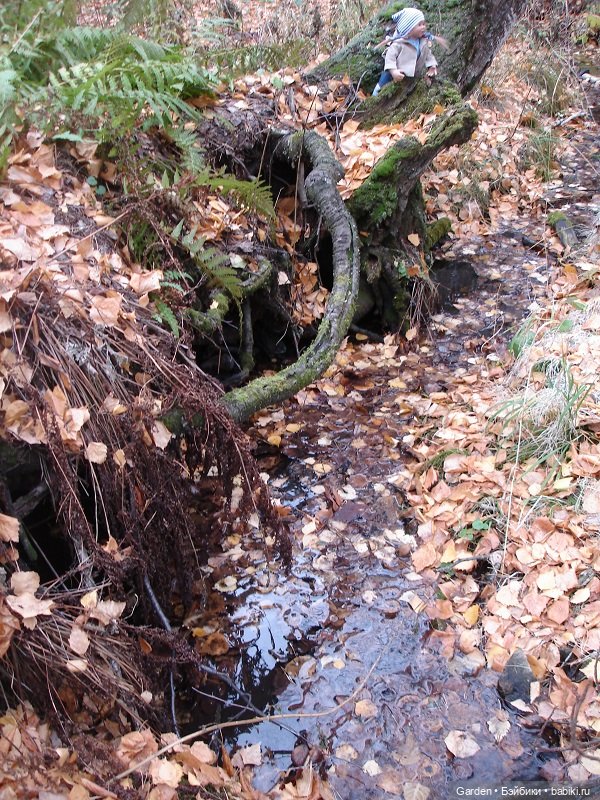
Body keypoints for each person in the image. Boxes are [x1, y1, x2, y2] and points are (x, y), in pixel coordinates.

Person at [372, 8, 447, 97]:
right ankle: (375, 96)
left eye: (423, 24)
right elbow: (390, 58)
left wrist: (432, 66)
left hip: (410, 75)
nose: (423, 27)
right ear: (409, 28)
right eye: (419, 25)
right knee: (382, 85)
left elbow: (428, 55)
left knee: (402, 91)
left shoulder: (422, 41)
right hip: (393, 72)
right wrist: (393, 71)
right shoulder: (399, 43)